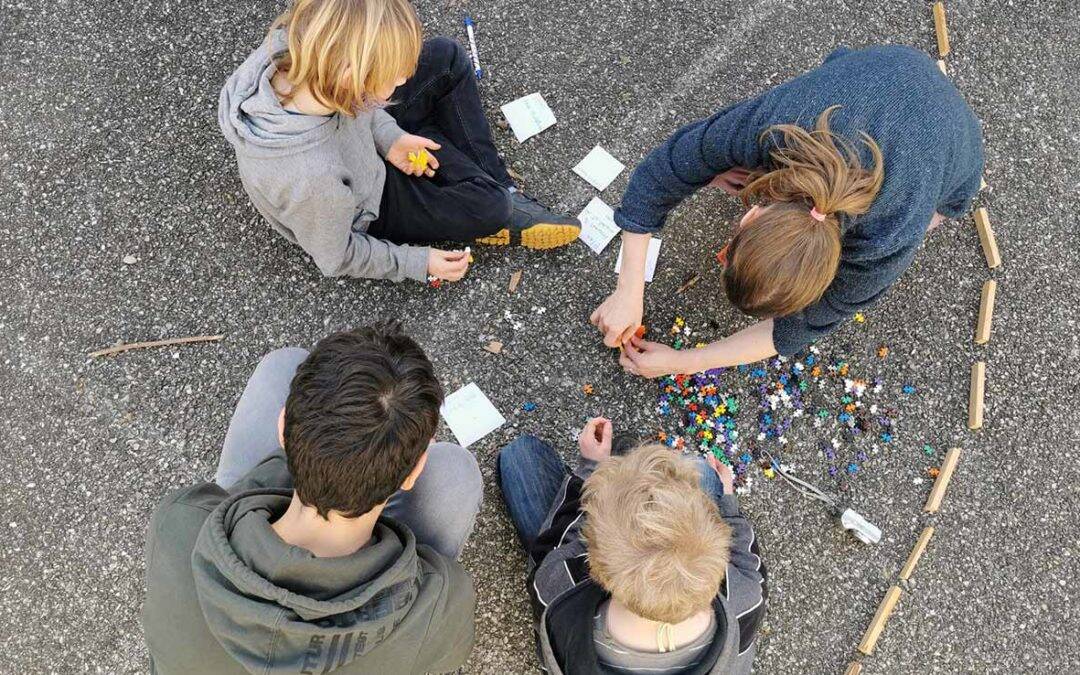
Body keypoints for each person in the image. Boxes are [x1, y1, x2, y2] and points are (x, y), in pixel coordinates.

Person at [591, 46, 984, 377]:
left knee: (936, 216)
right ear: (752, 217)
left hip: (950, 129)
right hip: (886, 68)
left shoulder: (891, 235)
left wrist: (685, 362)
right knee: (717, 154)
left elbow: (802, 326)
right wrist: (628, 291)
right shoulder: (776, 126)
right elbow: (664, 172)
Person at [142, 323, 483, 674]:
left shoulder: (179, 521)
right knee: (456, 472)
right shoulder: (437, 605)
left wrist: (320, 458)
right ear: (413, 472)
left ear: (282, 427)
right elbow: (451, 648)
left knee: (282, 364)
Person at [219, 0, 580, 285]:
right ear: (351, 78)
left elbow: (356, 108)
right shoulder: (315, 181)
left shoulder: (305, 49)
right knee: (492, 209)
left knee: (447, 57)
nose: (404, 79)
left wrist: (391, 138)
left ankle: (494, 183)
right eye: (393, 77)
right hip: (369, 202)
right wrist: (417, 262)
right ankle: (498, 200)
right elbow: (337, 256)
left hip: (361, 143)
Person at [497, 418, 767, 674]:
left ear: (592, 562)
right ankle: (627, 474)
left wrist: (590, 467)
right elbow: (747, 561)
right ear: (720, 545)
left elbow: (549, 550)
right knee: (703, 471)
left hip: (577, 611)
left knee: (519, 455)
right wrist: (727, 503)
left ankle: (617, 468)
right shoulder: (745, 601)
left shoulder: (559, 592)